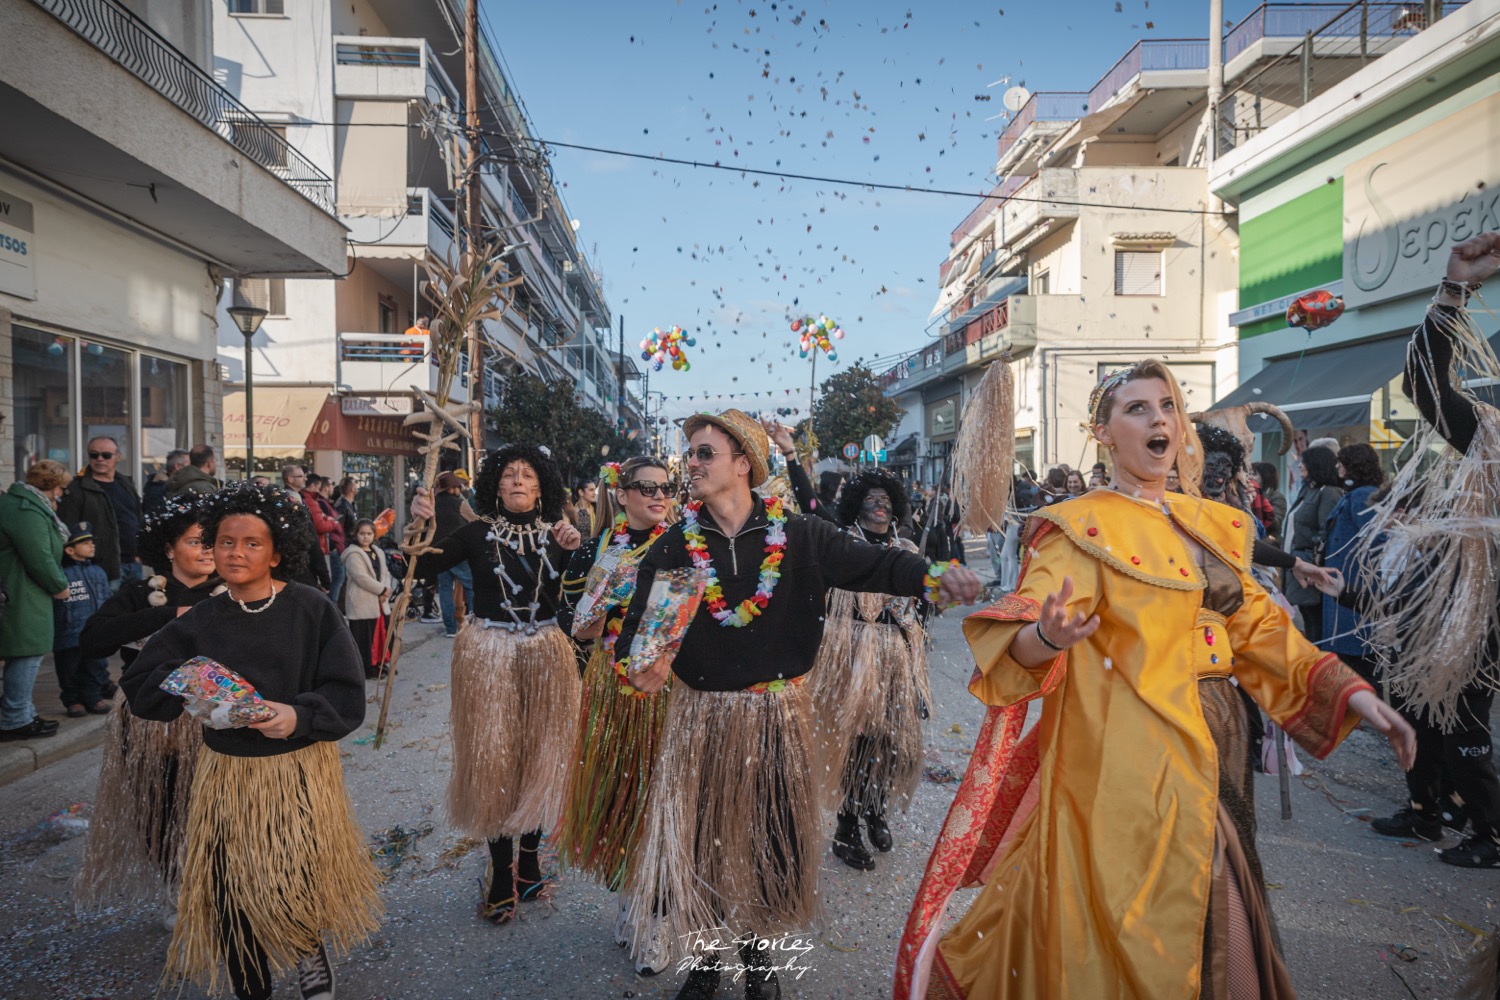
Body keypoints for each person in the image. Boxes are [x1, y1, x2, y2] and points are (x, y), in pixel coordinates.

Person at [895, 361, 1414, 1000]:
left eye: (1166, 405)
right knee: (1144, 923)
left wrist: (1356, 694)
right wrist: (1050, 638)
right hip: (1131, 763)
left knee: (1217, 901)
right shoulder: (1076, 528)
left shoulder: (1211, 523)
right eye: (1136, 409)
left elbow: (1257, 628)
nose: (1158, 419)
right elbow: (1023, 632)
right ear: (1104, 432)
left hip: (1218, 740)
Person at [613, 409, 981, 1000]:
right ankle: (706, 963)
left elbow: (878, 564)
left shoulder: (800, 535)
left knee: (770, 838)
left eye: (705, 453)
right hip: (701, 718)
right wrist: (643, 665)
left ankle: (761, 959)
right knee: (704, 835)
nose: (692, 465)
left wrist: (935, 575)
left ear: (744, 463)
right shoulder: (676, 545)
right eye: (691, 454)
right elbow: (641, 632)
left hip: (775, 715)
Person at [121, 483, 381, 1000]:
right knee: (229, 885)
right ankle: (249, 982)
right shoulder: (201, 619)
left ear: (278, 551)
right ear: (211, 549)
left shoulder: (311, 608)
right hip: (227, 776)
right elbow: (142, 685)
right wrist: (186, 685)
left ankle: (308, 952)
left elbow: (347, 695)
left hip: (298, 770)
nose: (236, 552)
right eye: (224, 542)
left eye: (251, 543)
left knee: (298, 873)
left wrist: (297, 715)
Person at [1338, 230, 1500, 873]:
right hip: (1466, 624)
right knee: (1439, 718)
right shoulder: (1491, 448)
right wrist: (1454, 289)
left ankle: (1480, 824)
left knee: (1462, 729)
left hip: (1476, 627)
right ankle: (1434, 810)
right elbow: (1425, 383)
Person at [411, 444, 583, 927]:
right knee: (493, 760)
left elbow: (585, 594)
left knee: (540, 757)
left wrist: (573, 555)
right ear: (495, 485)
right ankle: (501, 874)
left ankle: (529, 863)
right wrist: (420, 524)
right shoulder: (475, 533)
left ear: (543, 486)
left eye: (528, 475)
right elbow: (420, 567)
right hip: (488, 654)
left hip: (547, 652)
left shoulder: (561, 535)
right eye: (509, 475)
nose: (518, 482)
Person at [75, 497, 221, 920]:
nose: (209, 550)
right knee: (157, 806)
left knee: (211, 805)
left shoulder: (233, 588)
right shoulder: (142, 594)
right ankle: (176, 886)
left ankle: (215, 887)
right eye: (197, 541)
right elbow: (92, 640)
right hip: (147, 722)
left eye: (213, 540)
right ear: (169, 548)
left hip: (214, 717)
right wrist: (171, 615)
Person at [556, 456, 675, 975]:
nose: (657, 495)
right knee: (622, 799)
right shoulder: (597, 549)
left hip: (666, 687)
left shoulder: (686, 545)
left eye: (665, 488)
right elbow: (576, 627)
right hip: (610, 685)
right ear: (621, 494)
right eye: (644, 487)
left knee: (662, 799)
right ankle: (632, 899)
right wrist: (601, 600)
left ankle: (658, 915)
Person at [806, 465, 931, 874]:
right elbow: (810, 505)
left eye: (887, 500)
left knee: (890, 743)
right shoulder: (843, 545)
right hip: (852, 654)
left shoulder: (908, 551)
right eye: (871, 500)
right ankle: (846, 827)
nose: (879, 506)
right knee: (854, 743)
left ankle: (875, 811)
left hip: (895, 657)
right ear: (856, 506)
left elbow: (920, 609)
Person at [0, 460, 71, 742]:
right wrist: (59, 585)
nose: (62, 494)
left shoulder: (26, 504)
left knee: (27, 652)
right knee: (27, 654)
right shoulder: (25, 510)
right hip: (23, 591)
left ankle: (24, 713)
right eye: (61, 488)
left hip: (25, 589)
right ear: (51, 487)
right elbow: (39, 555)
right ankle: (14, 717)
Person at [1320, 443, 1386, 685]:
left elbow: (1377, 538)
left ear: (1353, 466)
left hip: (1353, 583)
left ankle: (1362, 714)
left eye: (1342, 462)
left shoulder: (1360, 495)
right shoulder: (1358, 493)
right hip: (1350, 580)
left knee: (1355, 656)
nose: (1337, 466)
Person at [58, 436, 143, 586]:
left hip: (133, 563)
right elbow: (68, 530)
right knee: (107, 609)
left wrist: (140, 554)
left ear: (118, 457)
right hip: (101, 567)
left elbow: (137, 518)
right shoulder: (77, 489)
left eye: (106, 455)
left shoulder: (126, 484)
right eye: (94, 454)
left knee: (135, 608)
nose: (100, 459)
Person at [52, 523, 114, 717]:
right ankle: (73, 700)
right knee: (69, 669)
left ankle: (93, 696)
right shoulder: (62, 574)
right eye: (85, 543)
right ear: (70, 550)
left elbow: (106, 599)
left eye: (92, 542)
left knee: (95, 666)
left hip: (94, 632)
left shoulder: (98, 572)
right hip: (69, 632)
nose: (91, 546)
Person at [1281, 445, 1342, 641]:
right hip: (1300, 562)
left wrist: (1314, 564)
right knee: (1308, 621)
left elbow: (1326, 532)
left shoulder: (1328, 492)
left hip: (1311, 566)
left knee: (1315, 624)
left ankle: (1319, 667)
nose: (1300, 465)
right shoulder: (1309, 490)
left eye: (1304, 462)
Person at [341, 519, 393, 679]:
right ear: (355, 535)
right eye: (362, 533)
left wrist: (385, 590)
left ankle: (379, 663)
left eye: (369, 533)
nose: (365, 537)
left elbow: (385, 573)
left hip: (379, 601)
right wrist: (382, 589)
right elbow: (360, 577)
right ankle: (366, 667)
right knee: (365, 638)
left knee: (382, 633)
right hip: (362, 601)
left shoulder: (378, 552)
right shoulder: (352, 554)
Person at [431, 472, 477, 638]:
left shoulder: (433, 503)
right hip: (457, 551)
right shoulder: (460, 503)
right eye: (457, 487)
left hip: (437, 551)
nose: (460, 489)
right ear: (451, 489)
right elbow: (475, 521)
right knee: (471, 586)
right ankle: (475, 625)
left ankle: (450, 629)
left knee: (444, 589)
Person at [143, 449, 189, 517]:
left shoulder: (172, 486)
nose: (194, 469)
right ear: (178, 466)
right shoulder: (158, 491)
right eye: (190, 465)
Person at [1252, 462, 1287, 545]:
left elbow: (1276, 523)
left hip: (1269, 543)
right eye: (1249, 473)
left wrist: (1262, 506)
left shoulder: (1277, 497)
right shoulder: (1250, 494)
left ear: (1265, 477)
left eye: (1254, 474)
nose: (1249, 477)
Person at [333, 477, 359, 544]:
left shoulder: (352, 504)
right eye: (355, 485)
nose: (357, 487)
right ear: (352, 489)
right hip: (345, 544)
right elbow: (338, 528)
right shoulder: (341, 506)